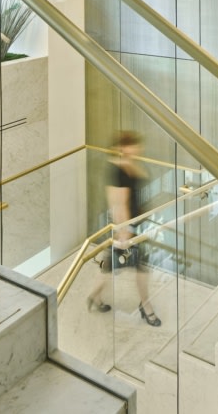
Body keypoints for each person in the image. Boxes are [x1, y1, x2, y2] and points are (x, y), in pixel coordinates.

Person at [87, 130, 161, 326]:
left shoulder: (129, 164)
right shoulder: (116, 171)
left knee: (111, 267)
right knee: (139, 268)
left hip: (135, 225)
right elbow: (117, 205)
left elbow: (139, 183)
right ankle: (145, 306)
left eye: (136, 145)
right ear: (121, 147)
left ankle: (95, 295)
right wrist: (124, 233)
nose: (137, 149)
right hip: (127, 229)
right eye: (131, 145)